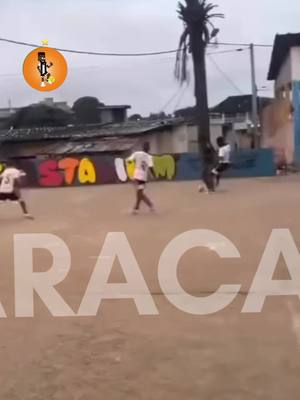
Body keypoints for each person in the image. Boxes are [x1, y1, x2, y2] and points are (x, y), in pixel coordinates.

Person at [127, 142, 155, 214]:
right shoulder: (149, 157)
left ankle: (137, 208)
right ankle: (148, 205)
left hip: (137, 176)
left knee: (139, 193)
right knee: (139, 193)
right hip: (142, 177)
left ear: (142, 147)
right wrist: (154, 175)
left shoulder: (137, 153)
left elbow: (129, 160)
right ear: (148, 148)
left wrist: (131, 163)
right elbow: (151, 167)